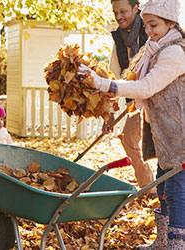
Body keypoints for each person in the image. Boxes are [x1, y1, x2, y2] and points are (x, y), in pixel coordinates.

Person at [78, 0, 185, 249]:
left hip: (179, 131)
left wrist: (103, 84)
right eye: (146, 24)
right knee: (163, 186)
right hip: (164, 130)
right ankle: (163, 240)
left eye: (153, 25)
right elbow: (133, 84)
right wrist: (110, 113)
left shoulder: (174, 52)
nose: (147, 31)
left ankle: (177, 244)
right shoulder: (155, 48)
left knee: (177, 189)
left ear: (171, 23)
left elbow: (146, 87)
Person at [108, 0, 155, 193]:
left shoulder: (152, 28)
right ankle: (148, 186)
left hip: (157, 98)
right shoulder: (119, 39)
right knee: (129, 140)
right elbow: (113, 76)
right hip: (135, 102)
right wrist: (108, 111)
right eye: (115, 12)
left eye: (123, 11)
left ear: (136, 9)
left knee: (162, 145)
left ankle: (170, 190)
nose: (119, 16)